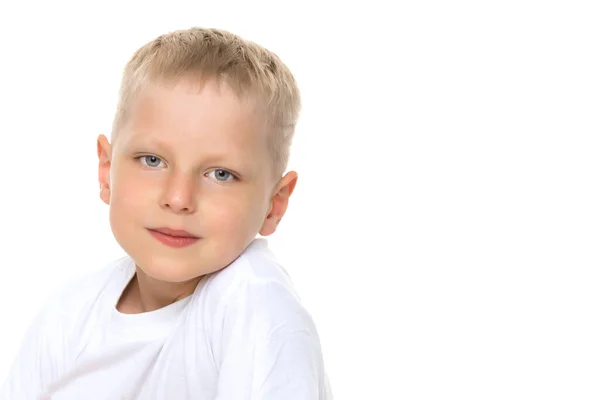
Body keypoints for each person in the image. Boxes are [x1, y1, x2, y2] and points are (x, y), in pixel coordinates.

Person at [0, 27, 331, 399]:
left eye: (221, 174)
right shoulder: (68, 314)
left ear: (274, 203)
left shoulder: (256, 306)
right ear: (107, 171)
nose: (178, 198)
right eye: (152, 160)